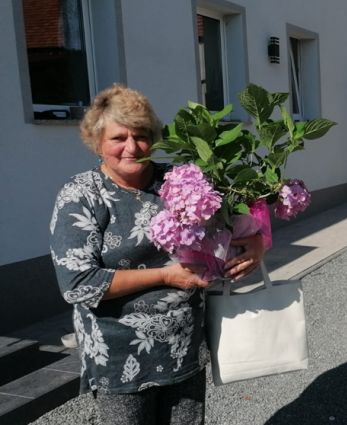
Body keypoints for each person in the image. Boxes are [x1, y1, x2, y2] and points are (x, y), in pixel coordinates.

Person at [50, 84, 266, 425]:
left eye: (141, 136)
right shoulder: (82, 196)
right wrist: (165, 275)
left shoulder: (179, 181)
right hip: (119, 354)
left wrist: (257, 242)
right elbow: (77, 283)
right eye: (118, 138)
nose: (132, 147)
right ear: (98, 143)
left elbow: (230, 225)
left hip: (184, 344)